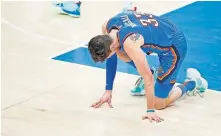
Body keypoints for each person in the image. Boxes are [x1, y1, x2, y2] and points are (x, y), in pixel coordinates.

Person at [87, 11, 208, 123]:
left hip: (174, 46)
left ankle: (193, 83)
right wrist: (108, 91)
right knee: (119, 52)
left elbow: (148, 78)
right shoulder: (107, 26)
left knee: (159, 104)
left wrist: (150, 110)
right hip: (162, 29)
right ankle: (150, 70)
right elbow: (111, 56)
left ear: (111, 46)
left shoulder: (130, 44)